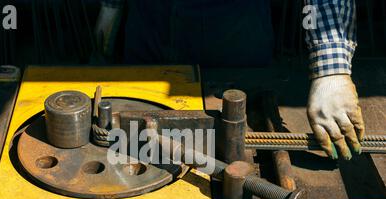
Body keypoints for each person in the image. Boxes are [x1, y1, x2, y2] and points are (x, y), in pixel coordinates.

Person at [94, 0, 364, 161]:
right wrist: (112, 4)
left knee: (228, 148)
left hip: (231, 34)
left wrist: (332, 69)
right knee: (136, 145)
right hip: (147, 28)